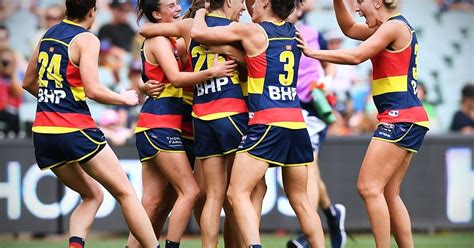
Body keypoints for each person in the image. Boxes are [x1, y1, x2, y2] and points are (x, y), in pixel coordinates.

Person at [21, 0, 159, 247]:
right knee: (126, 193)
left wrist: (54, 99)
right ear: (92, 11)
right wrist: (124, 98)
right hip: (75, 129)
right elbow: (93, 90)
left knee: (92, 195)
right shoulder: (87, 39)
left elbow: (28, 82)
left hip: (43, 133)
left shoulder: (49, 34)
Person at [191, 0, 326, 246]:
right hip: (296, 123)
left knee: (236, 193)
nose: (249, 4)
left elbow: (199, 33)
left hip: (267, 122)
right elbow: (260, 61)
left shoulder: (254, 31)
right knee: (302, 201)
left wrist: (200, 11)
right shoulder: (293, 31)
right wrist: (234, 53)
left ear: (266, 2)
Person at [297, 0, 430, 247]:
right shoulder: (390, 28)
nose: (357, 8)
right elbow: (348, 28)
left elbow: (356, 55)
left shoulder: (393, 27)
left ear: (377, 2)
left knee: (369, 188)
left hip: (399, 117)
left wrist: (314, 53)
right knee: (389, 193)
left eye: (360, 2)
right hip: (409, 118)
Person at [139, 1, 267, 247]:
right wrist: (231, 51)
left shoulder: (189, 27)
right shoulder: (236, 29)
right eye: (240, 1)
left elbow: (145, 31)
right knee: (251, 190)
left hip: (201, 117)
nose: (243, 6)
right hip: (231, 113)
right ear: (228, 1)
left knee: (214, 196)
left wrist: (198, 16)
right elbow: (248, 73)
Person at [126, 1, 237, 247]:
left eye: (178, 4)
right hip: (166, 125)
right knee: (194, 193)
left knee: (157, 202)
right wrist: (214, 72)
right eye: (171, 4)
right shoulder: (176, 38)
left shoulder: (180, 40)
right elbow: (172, 78)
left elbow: (156, 75)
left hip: (182, 126)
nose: (177, 7)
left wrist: (143, 85)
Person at [285, 3, 346, 248]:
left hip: (310, 108)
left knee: (307, 166)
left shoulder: (311, 33)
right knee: (306, 168)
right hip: (283, 108)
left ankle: (307, 235)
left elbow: (329, 62)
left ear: (299, 10)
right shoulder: (263, 33)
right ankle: (331, 214)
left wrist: (327, 81)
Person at [0, 48, 22, 137]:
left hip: (14, 113)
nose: (6, 65)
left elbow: (18, 92)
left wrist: (13, 72)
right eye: (4, 62)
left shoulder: (17, 75)